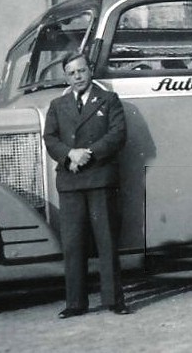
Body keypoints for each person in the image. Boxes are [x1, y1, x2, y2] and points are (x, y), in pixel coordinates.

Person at [43, 53, 131, 319]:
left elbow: (117, 135)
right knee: (73, 244)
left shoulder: (108, 100)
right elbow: (50, 137)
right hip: (70, 181)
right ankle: (75, 302)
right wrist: (69, 154)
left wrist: (87, 153)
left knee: (106, 240)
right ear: (66, 77)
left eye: (81, 71)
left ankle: (114, 299)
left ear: (90, 71)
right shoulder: (58, 105)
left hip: (100, 178)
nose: (78, 77)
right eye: (72, 73)